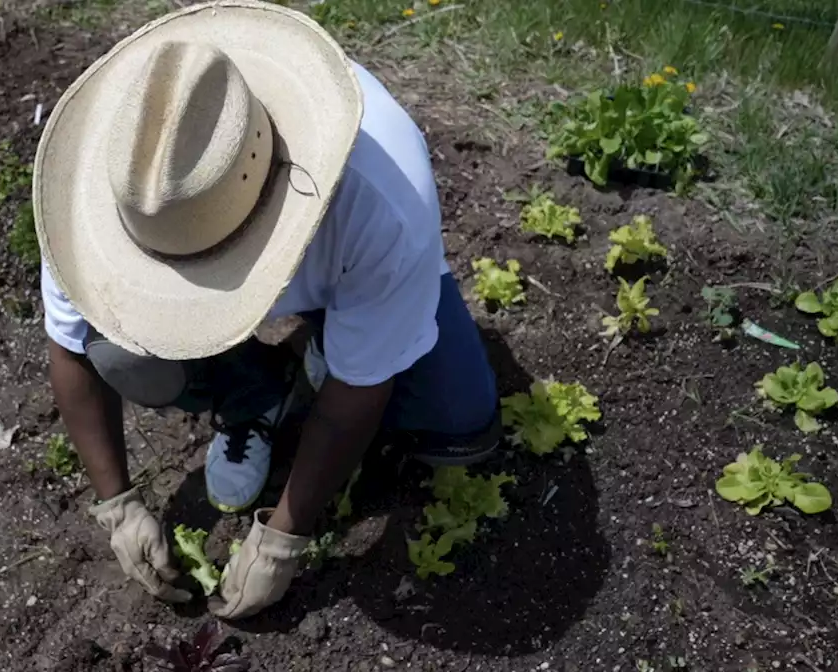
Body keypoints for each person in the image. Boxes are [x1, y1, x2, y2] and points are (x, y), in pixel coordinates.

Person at [32, 0, 499, 619]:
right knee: (117, 351)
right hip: (316, 265)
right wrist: (115, 504)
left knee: (457, 421)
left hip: (356, 271)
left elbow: (362, 389)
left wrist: (283, 537)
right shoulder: (116, 184)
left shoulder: (382, 197)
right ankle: (257, 393)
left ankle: (333, 339)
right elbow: (70, 344)